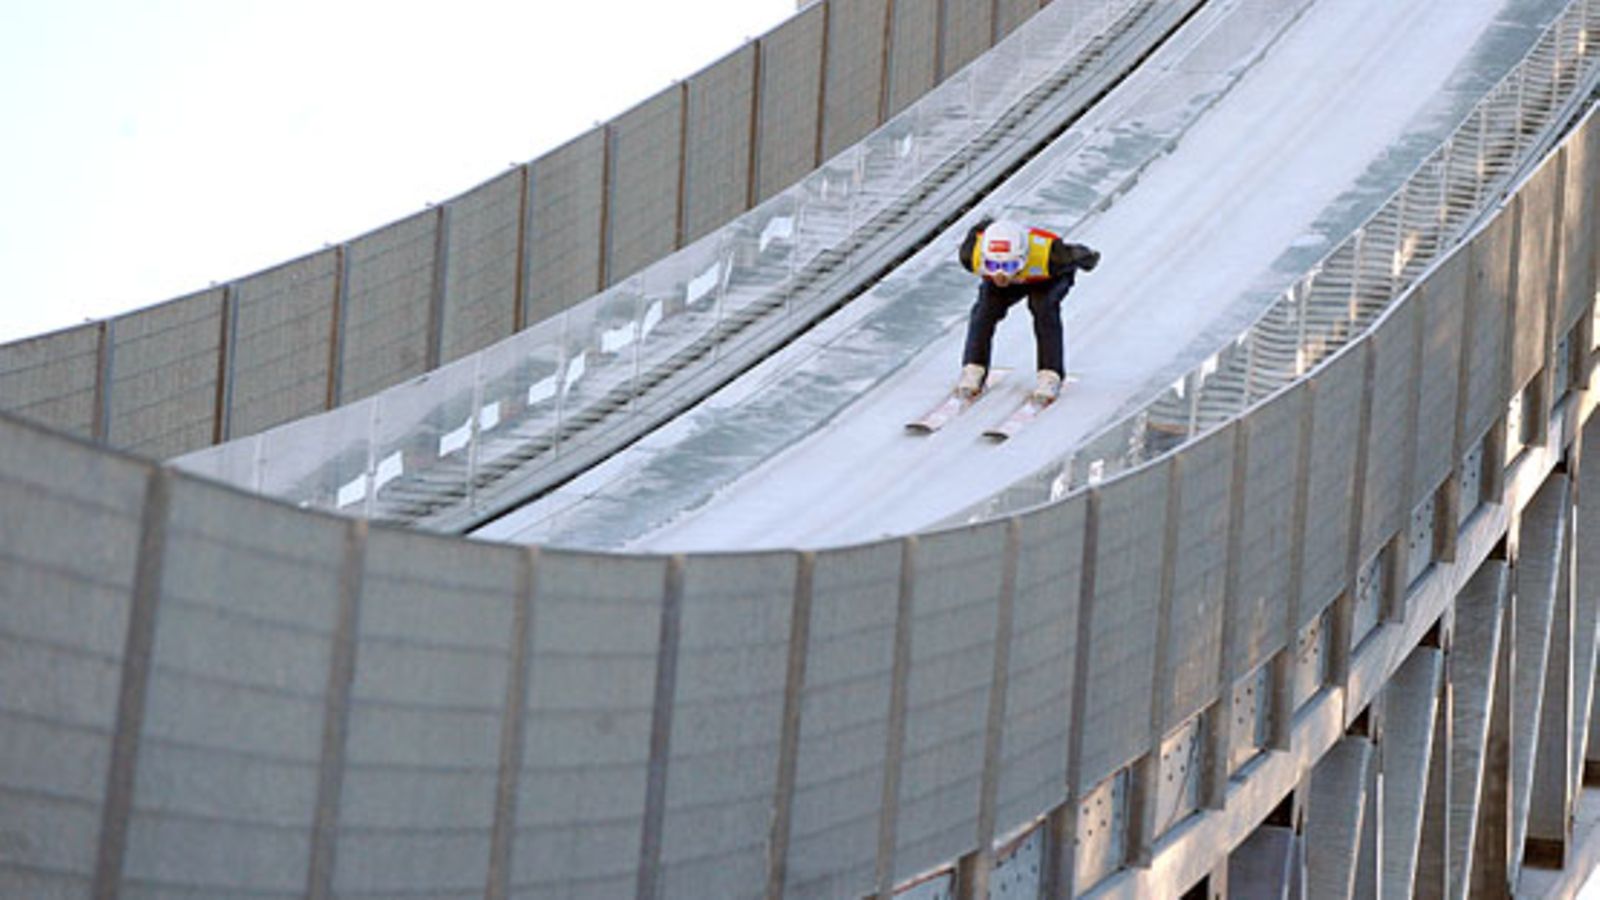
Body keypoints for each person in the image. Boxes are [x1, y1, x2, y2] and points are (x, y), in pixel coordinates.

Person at [955, 217, 1099, 403]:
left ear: (1022, 257)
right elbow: (978, 227)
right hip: (1019, 278)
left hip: (1047, 279)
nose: (1001, 274)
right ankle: (973, 368)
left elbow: (1082, 255)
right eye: (992, 266)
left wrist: (1090, 259)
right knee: (984, 311)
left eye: (1009, 266)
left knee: (1043, 308)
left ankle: (1050, 375)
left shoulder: (1053, 255)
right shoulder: (970, 255)